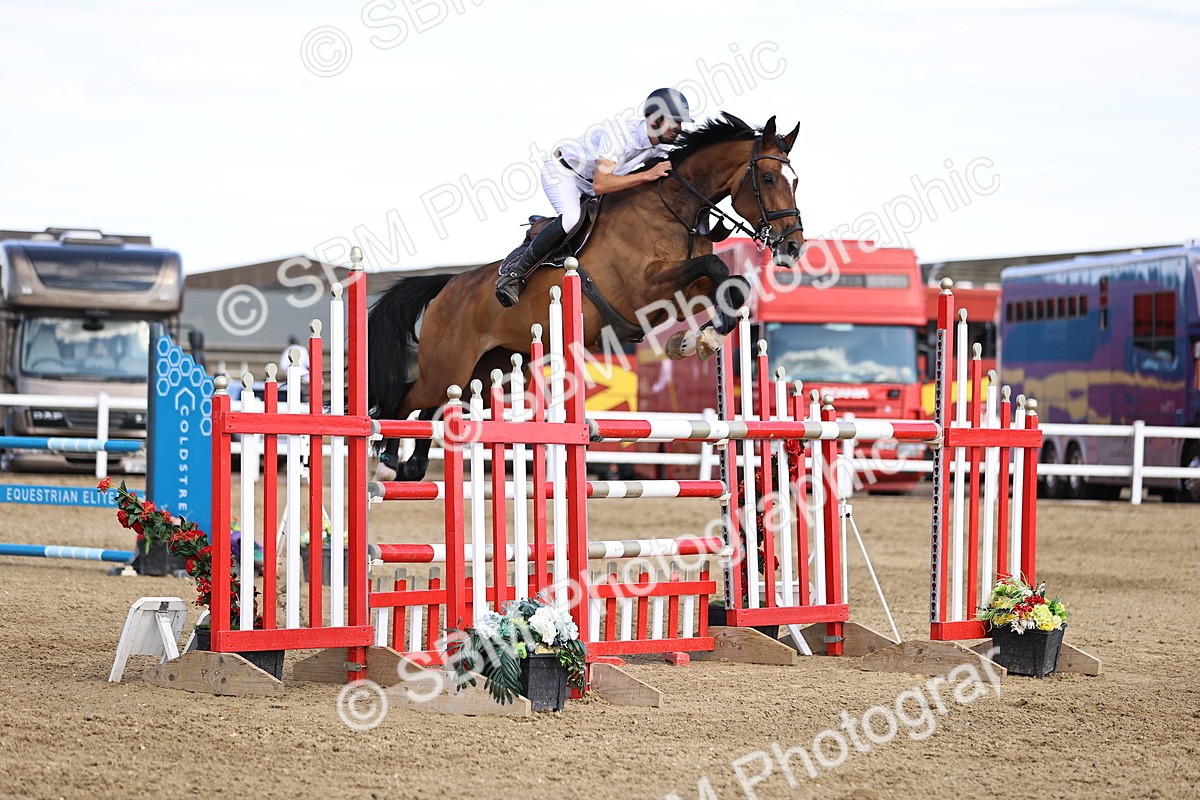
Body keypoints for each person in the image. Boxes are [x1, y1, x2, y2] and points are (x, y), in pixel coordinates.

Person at [494, 87, 693, 307]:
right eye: (676, 122)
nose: (680, 128)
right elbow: (601, 185)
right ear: (656, 120)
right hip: (564, 174)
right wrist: (647, 175)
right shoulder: (620, 134)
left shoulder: (663, 145)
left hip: (595, 181)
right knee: (571, 219)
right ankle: (515, 274)